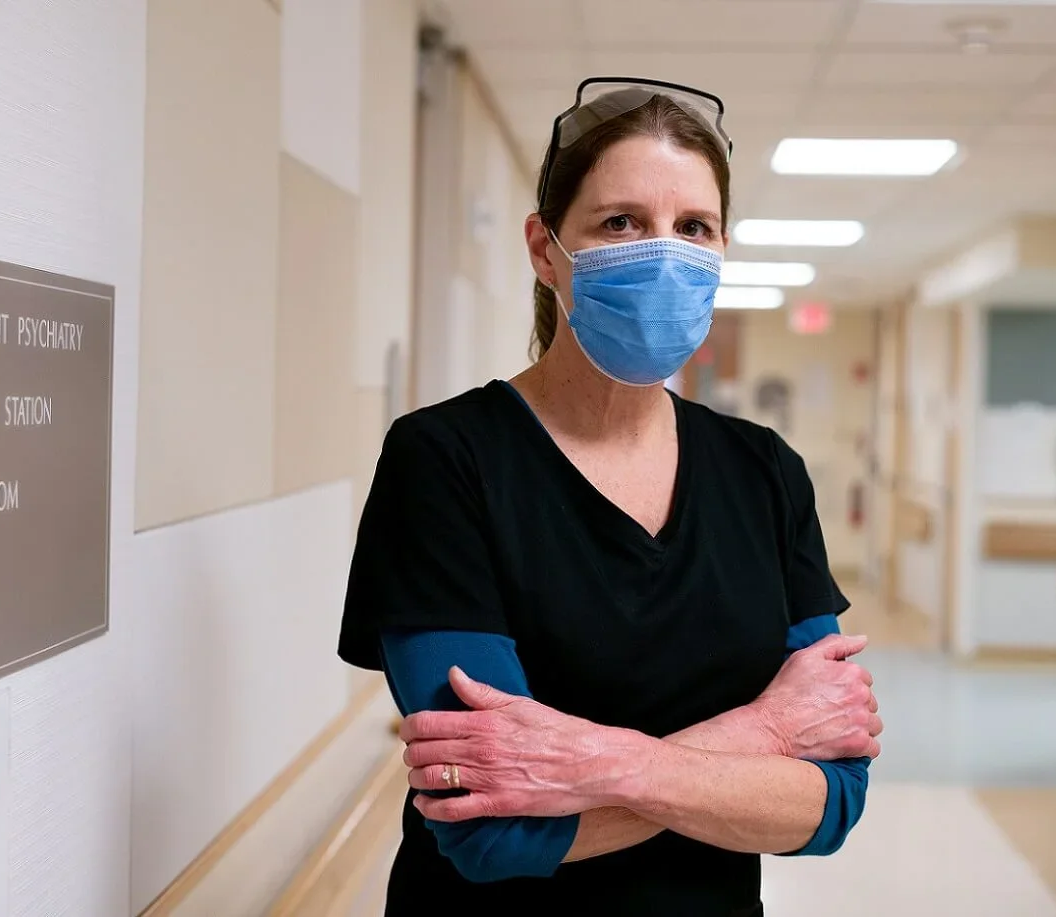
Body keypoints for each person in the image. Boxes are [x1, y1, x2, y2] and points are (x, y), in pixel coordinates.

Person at [338, 77, 883, 916]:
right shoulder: (444, 459)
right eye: (620, 222)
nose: (664, 253)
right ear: (543, 247)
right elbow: (492, 834)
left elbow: (829, 801)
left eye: (692, 227)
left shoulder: (763, 471)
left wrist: (591, 767)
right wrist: (762, 737)